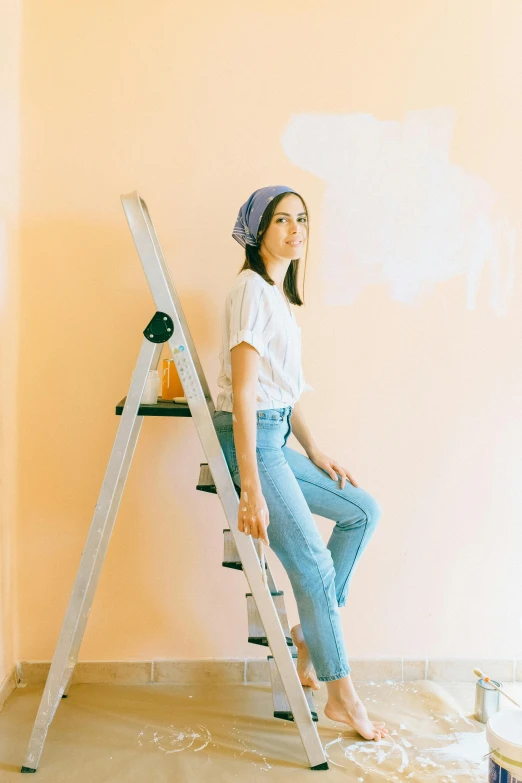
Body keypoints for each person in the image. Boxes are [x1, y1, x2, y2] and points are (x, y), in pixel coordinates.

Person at [213, 185, 387, 741]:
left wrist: (313, 449)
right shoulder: (248, 293)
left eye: (302, 220)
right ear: (257, 230)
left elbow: (282, 392)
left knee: (362, 509)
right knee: (311, 566)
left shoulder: (275, 295)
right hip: (255, 444)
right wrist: (250, 488)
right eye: (282, 220)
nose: (296, 230)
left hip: (278, 435)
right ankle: (342, 695)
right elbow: (243, 396)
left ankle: (310, 637)